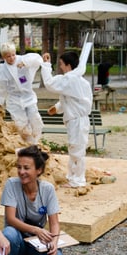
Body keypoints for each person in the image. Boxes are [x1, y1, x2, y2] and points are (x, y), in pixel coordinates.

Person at [0, 145, 63, 255]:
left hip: (36, 240)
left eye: (26, 168)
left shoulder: (48, 189)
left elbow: (54, 222)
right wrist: (36, 229)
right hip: (18, 240)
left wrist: (54, 242)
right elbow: (11, 218)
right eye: (19, 167)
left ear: (38, 170)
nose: (21, 172)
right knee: (8, 233)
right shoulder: (11, 185)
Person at [41, 51, 93, 188]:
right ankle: (73, 177)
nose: (61, 67)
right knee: (74, 148)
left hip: (77, 121)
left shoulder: (70, 79)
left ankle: (78, 180)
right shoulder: (81, 81)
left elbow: (49, 84)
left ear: (68, 65)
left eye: (62, 64)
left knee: (77, 150)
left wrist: (46, 65)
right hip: (77, 120)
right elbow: (74, 100)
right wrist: (57, 108)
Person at [0, 42, 44, 145]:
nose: (12, 58)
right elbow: (0, 88)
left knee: (36, 119)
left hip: (28, 96)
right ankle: (28, 145)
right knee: (21, 124)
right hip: (14, 99)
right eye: (8, 56)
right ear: (3, 57)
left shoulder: (23, 59)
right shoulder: (3, 69)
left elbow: (38, 59)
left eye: (13, 55)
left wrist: (26, 63)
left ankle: (37, 142)